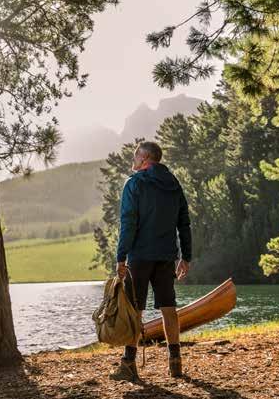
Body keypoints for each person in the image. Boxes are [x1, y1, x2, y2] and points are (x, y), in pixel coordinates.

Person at [109, 141, 192, 382]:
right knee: (168, 307)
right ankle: (175, 361)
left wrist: (121, 256)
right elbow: (184, 223)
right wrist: (185, 256)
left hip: (140, 256)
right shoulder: (173, 184)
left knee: (135, 309)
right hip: (166, 256)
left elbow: (128, 222)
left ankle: (128, 363)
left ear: (145, 159)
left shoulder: (134, 184)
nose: (133, 162)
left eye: (135, 157)